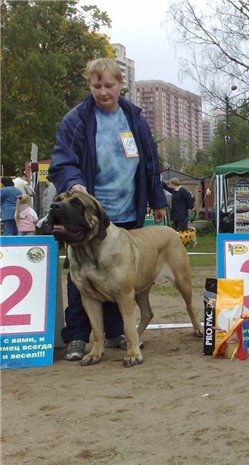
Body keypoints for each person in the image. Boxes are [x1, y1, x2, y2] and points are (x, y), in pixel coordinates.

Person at [49, 57, 167, 361]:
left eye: (109, 85)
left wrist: (157, 200)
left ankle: (117, 334)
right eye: (96, 85)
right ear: (90, 85)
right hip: (88, 216)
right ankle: (76, 336)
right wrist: (76, 185)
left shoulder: (135, 118)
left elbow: (150, 162)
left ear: (121, 85)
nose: (103, 91)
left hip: (127, 210)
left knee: (120, 282)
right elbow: (62, 162)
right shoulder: (76, 120)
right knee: (82, 278)